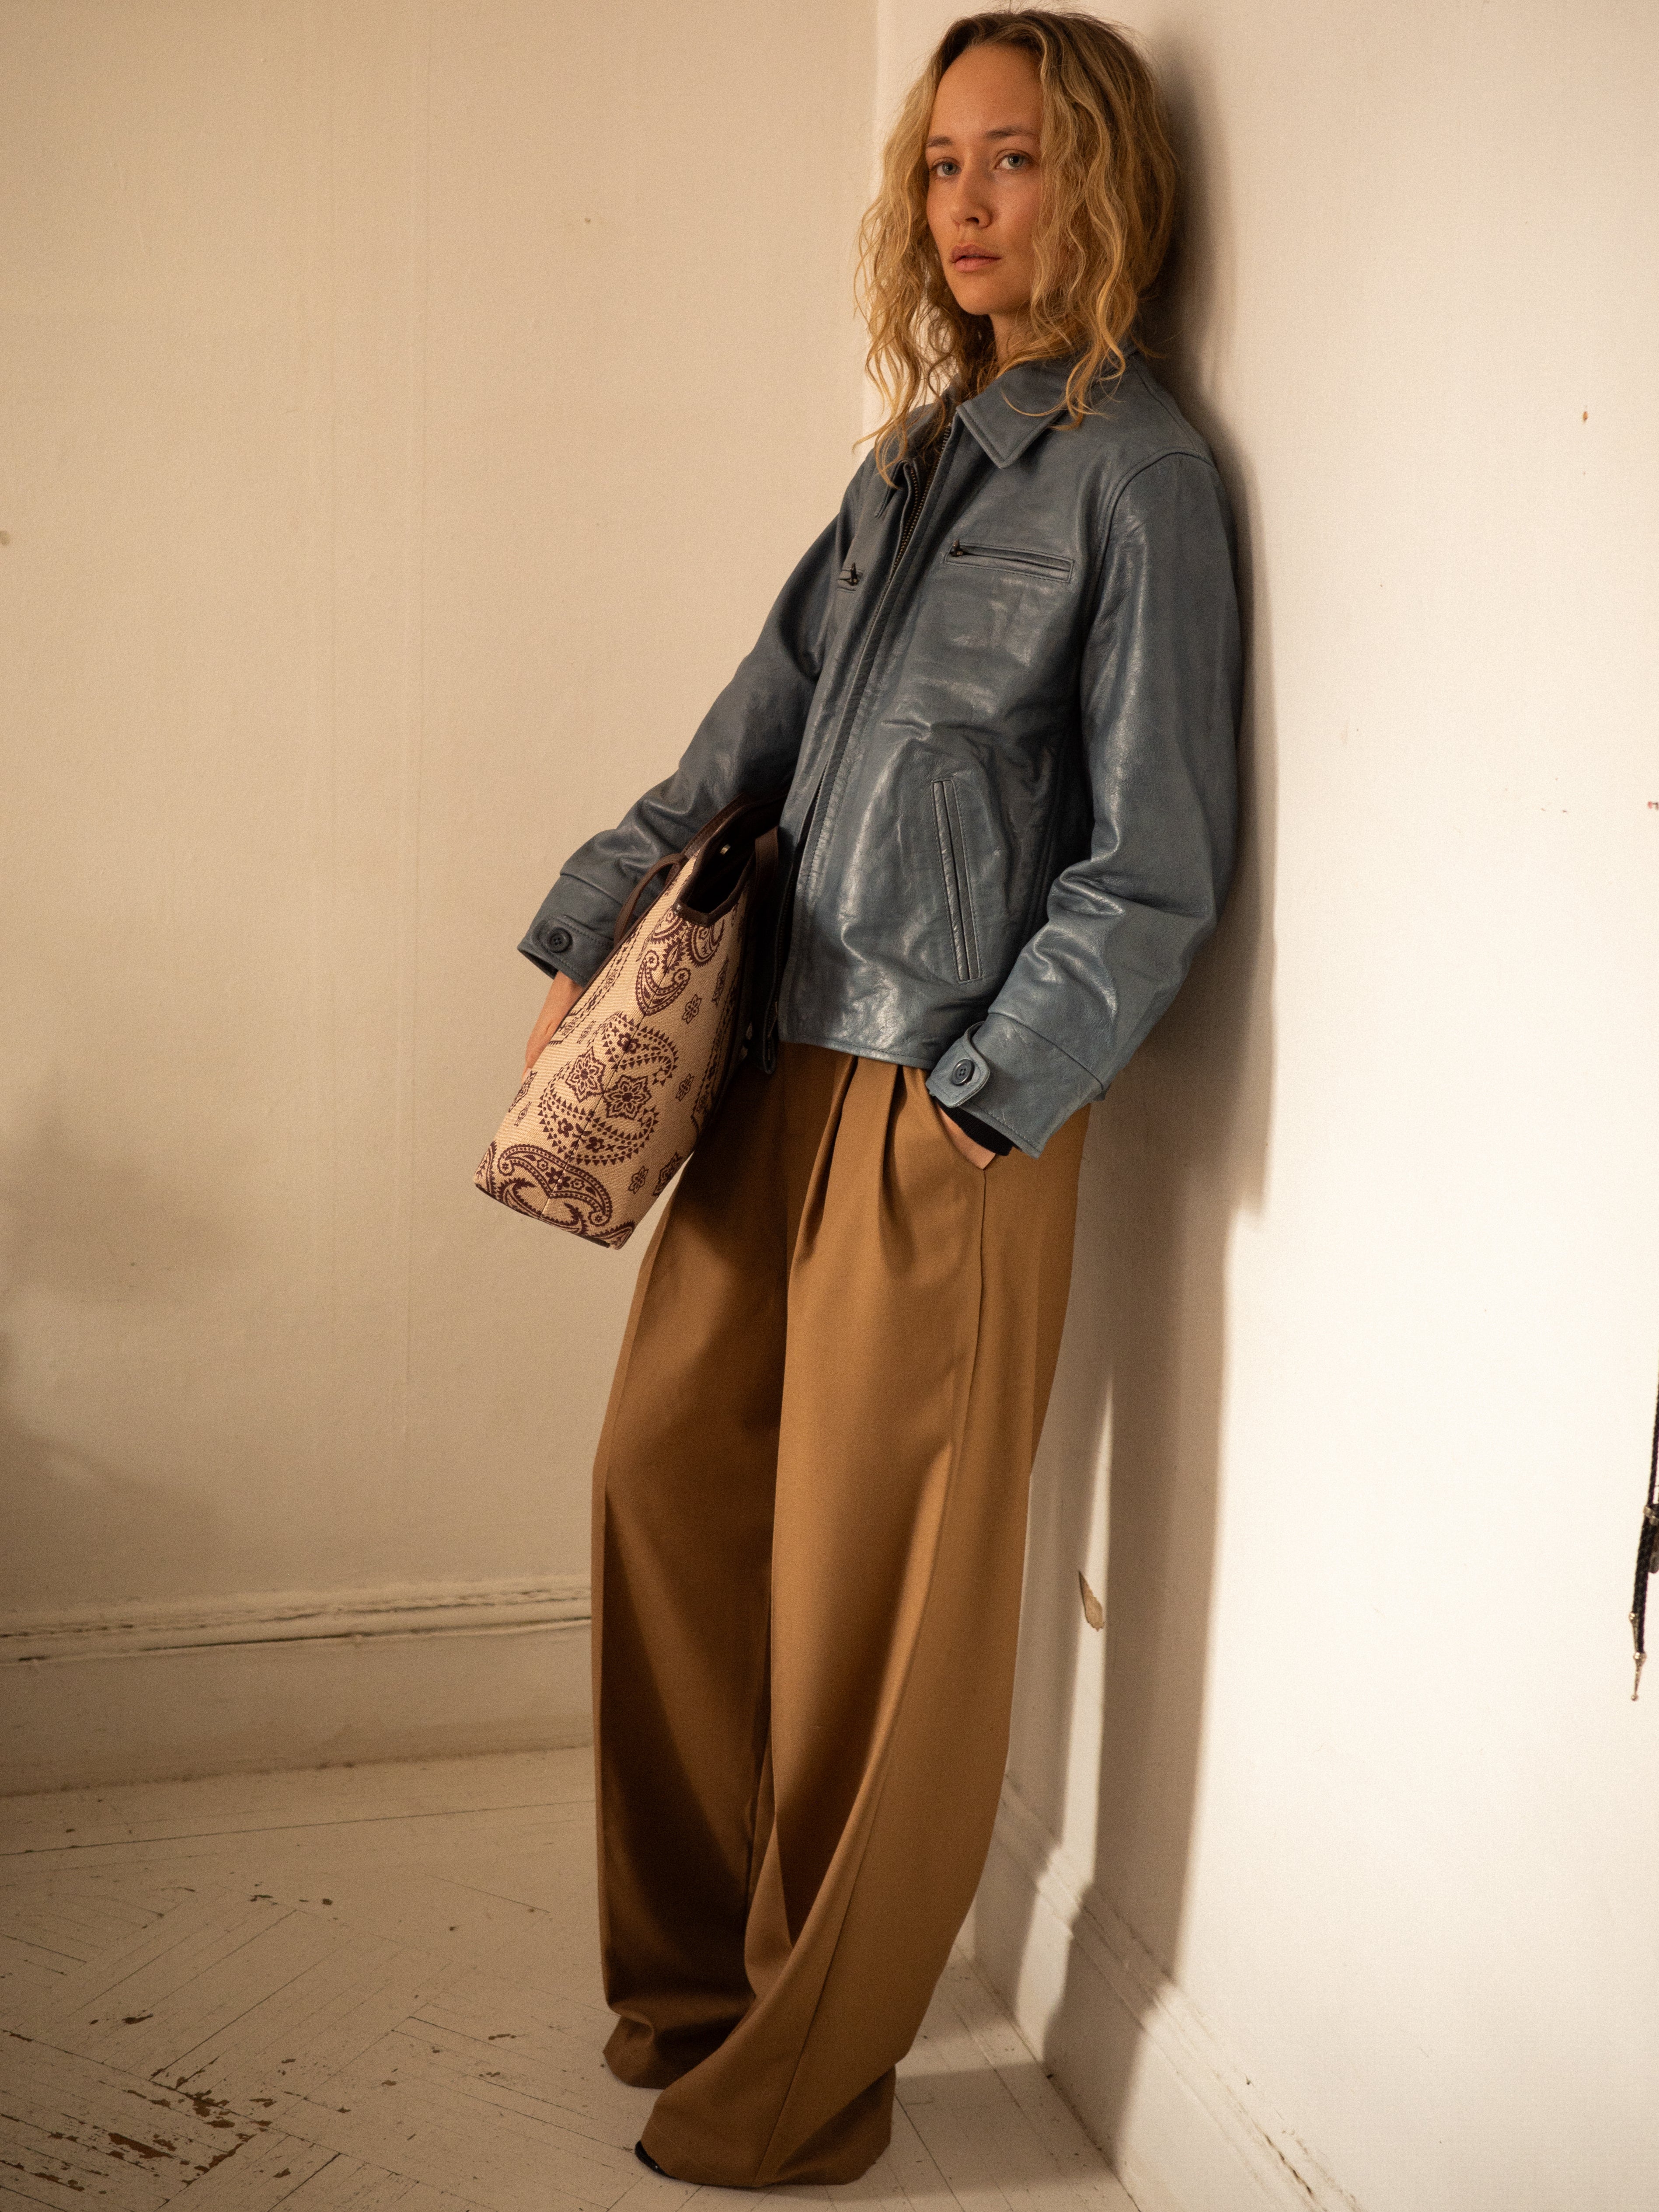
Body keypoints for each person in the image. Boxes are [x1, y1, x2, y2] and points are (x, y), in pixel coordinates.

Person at [514, 9, 1241, 2187]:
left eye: (1011, 162)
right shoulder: (911, 460)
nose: (966, 207)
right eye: (940, 169)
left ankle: (810, 2069)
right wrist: (578, 948)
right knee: (661, 1485)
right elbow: (743, 737)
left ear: (1097, 180)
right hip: (768, 1066)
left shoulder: (1141, 479)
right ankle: (690, 1985)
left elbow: (1153, 863)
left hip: (943, 1099)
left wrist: (981, 1105)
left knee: (870, 1611)